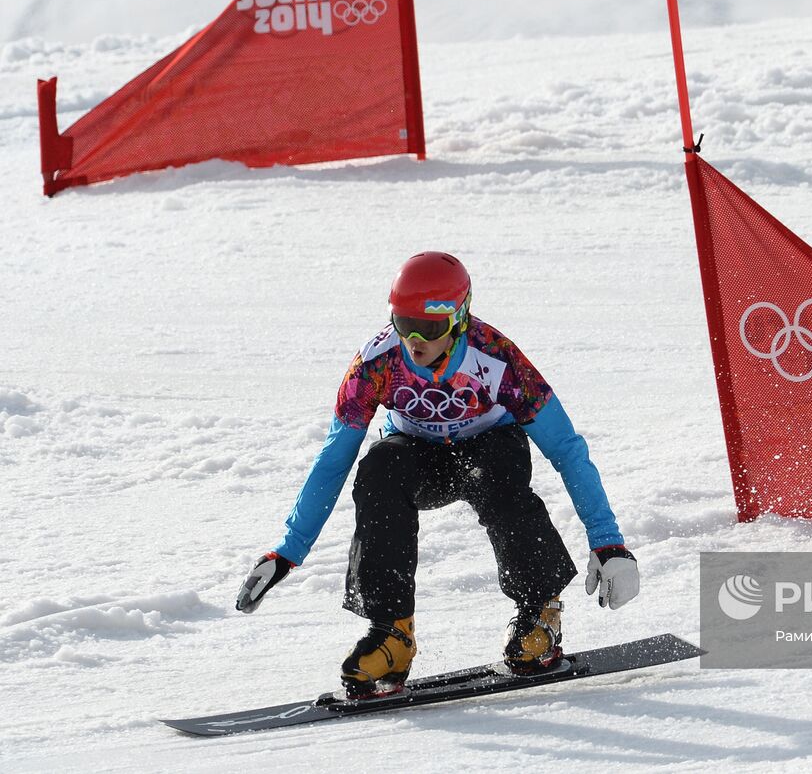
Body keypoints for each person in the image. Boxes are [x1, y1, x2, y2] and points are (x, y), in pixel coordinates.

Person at [234, 251, 639, 698]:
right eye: (404, 323)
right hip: (418, 458)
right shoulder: (375, 364)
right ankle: (392, 632)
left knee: (496, 476)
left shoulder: (496, 358)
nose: (414, 341)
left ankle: (539, 609)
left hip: (490, 450)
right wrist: (287, 553)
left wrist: (608, 542)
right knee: (378, 470)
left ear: (460, 318)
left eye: (429, 328)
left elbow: (566, 449)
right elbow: (334, 460)